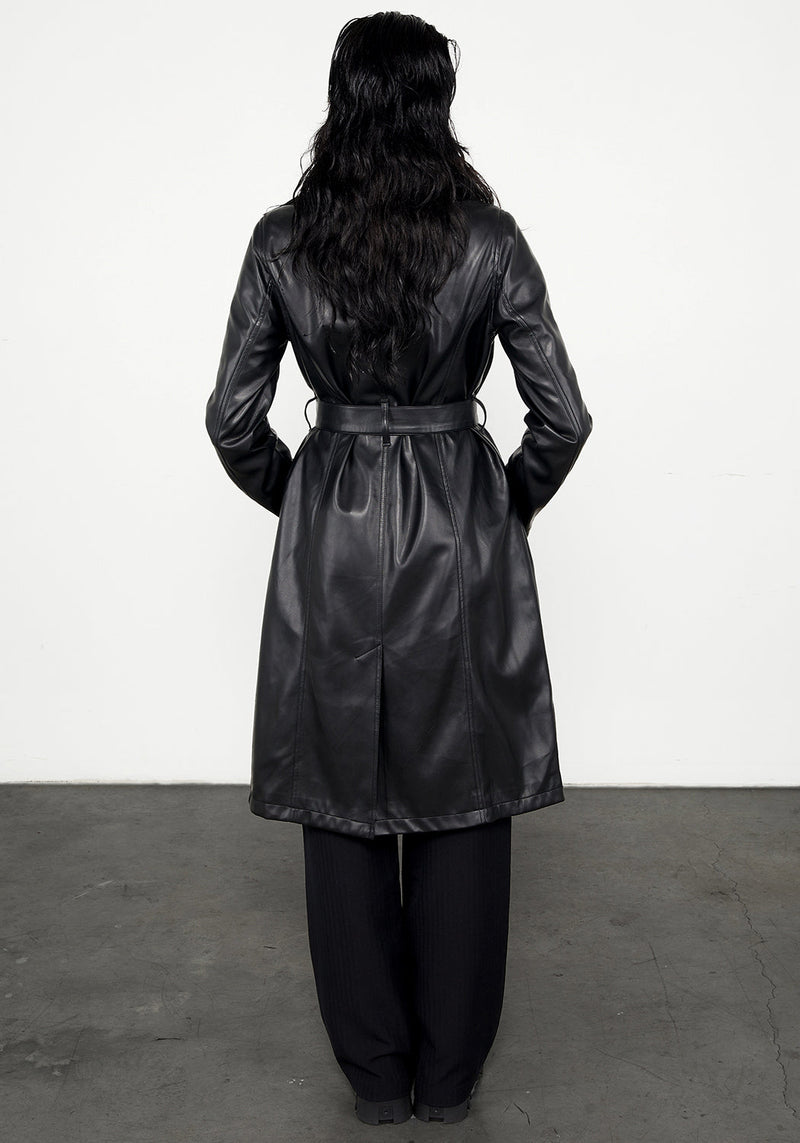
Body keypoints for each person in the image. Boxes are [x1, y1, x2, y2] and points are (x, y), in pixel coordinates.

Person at [205, 11, 593, 1128]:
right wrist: (495, 511)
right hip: (457, 528)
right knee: (464, 797)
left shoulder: (282, 240)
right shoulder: (489, 238)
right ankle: (448, 1081)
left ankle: (374, 1080)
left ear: (343, 99)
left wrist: (308, 504)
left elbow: (231, 420)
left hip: (331, 533)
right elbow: (562, 418)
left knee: (341, 800)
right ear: (436, 104)